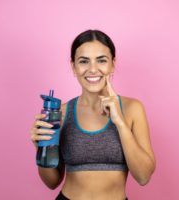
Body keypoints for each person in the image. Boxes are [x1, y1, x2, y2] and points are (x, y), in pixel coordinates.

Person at [30, 30, 156, 200]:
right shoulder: (62, 113)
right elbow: (51, 182)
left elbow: (143, 176)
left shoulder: (132, 109)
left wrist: (120, 122)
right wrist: (41, 148)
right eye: (83, 61)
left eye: (102, 60)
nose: (93, 69)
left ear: (113, 63)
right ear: (73, 66)